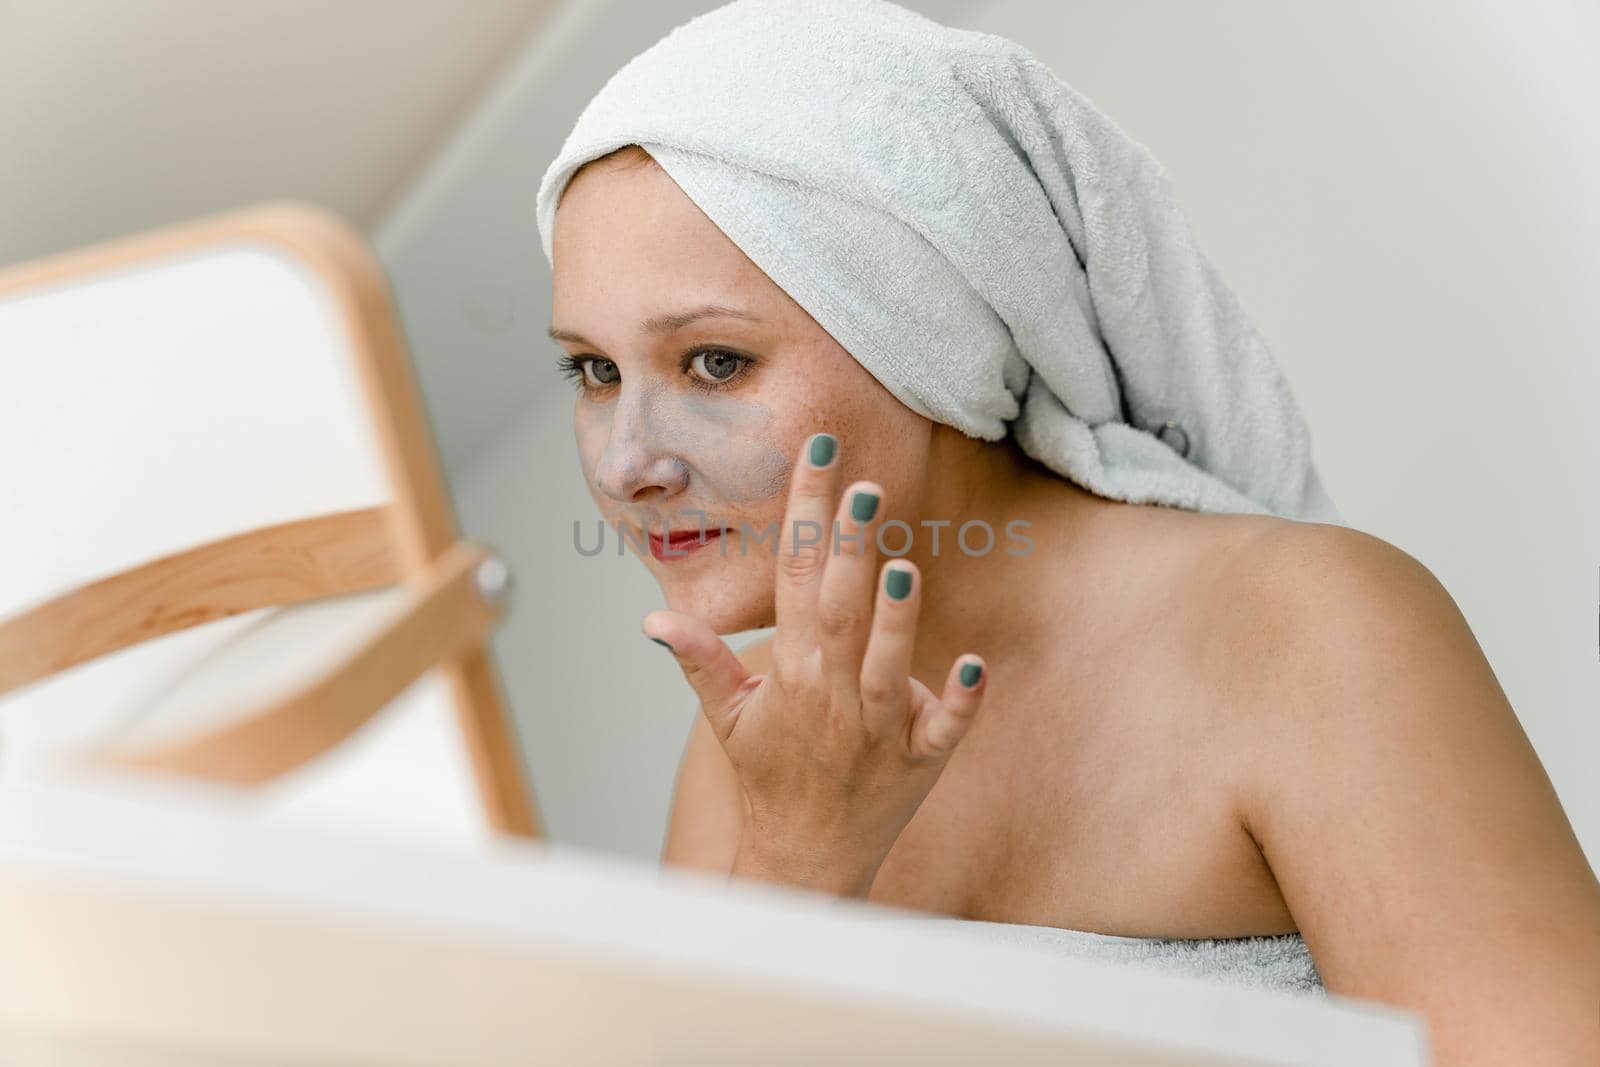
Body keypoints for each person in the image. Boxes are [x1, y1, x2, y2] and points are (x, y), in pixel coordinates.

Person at [539, 3, 1600, 1060]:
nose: (629, 463)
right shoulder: (771, 735)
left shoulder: (1303, 635)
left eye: (714, 363)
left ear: (929, 338)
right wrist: (797, 858)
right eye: (594, 370)